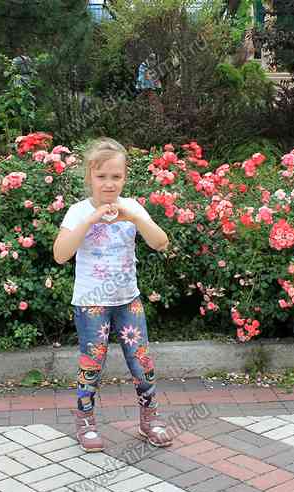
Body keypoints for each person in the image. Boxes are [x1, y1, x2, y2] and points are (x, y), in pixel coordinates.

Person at [53, 137, 172, 452]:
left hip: (127, 301)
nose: (109, 183)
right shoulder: (78, 211)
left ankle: (149, 419)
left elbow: (161, 242)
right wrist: (90, 221)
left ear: (125, 177)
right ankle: (86, 422)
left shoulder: (132, 207)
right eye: (101, 176)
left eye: (116, 176)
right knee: (92, 364)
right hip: (91, 304)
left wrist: (135, 218)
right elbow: (60, 255)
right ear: (89, 176)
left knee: (142, 361)